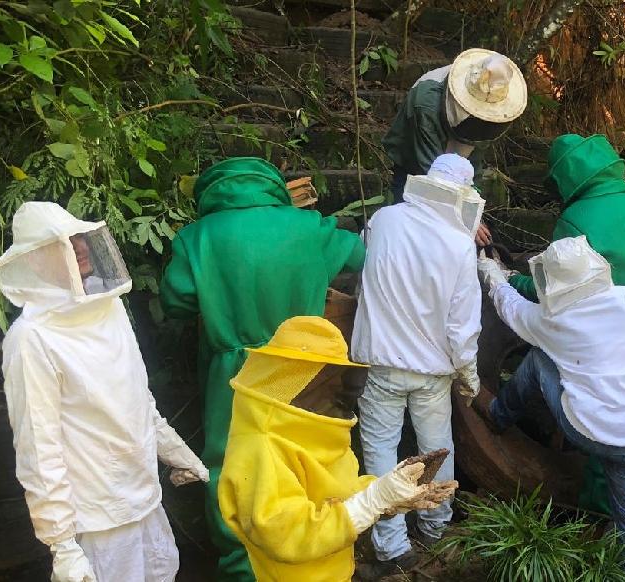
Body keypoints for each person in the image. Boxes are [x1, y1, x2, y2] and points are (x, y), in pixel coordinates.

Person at [159, 157, 366, 581]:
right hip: (305, 364)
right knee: (310, 455)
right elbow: (363, 254)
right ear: (273, 186)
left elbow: (175, 301)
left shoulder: (196, 237)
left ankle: (241, 566)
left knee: (231, 463)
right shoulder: (311, 227)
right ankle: (311, 550)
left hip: (232, 369)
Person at [0, 202, 209, 582]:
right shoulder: (31, 339)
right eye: (62, 242)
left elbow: (136, 400)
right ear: (36, 261)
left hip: (146, 498)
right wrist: (61, 545)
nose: (78, 247)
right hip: (98, 521)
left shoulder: (109, 309)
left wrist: (175, 451)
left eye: (79, 237)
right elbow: (38, 449)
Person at [508, 134, 625, 525]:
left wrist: (515, 283)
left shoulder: (576, 219)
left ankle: (602, 516)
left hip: (611, 330)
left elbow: (558, 286)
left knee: (611, 416)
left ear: (567, 176)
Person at [476, 236, 625, 582]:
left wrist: (491, 272)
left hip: (588, 430)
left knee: (540, 358)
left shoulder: (553, 321)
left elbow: (510, 306)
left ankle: (499, 413)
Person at [219, 316, 457, 582]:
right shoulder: (259, 447)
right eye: (325, 376)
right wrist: (373, 501)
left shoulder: (315, 431)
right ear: (295, 378)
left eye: (336, 375)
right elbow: (285, 534)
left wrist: (388, 497)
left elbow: (334, 493)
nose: (337, 388)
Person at [351, 154, 483, 575]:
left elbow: (363, 273)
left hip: (379, 364)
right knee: (435, 449)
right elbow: (463, 324)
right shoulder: (460, 243)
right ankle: (436, 526)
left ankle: (391, 548)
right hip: (432, 373)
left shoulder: (383, 221)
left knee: (380, 454)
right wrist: (469, 374)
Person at [382, 48, 527, 245]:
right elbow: (430, 174)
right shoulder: (426, 102)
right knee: (410, 207)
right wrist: (464, 219)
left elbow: (472, 168)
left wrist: (473, 212)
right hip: (414, 157)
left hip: (450, 151)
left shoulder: (490, 117)